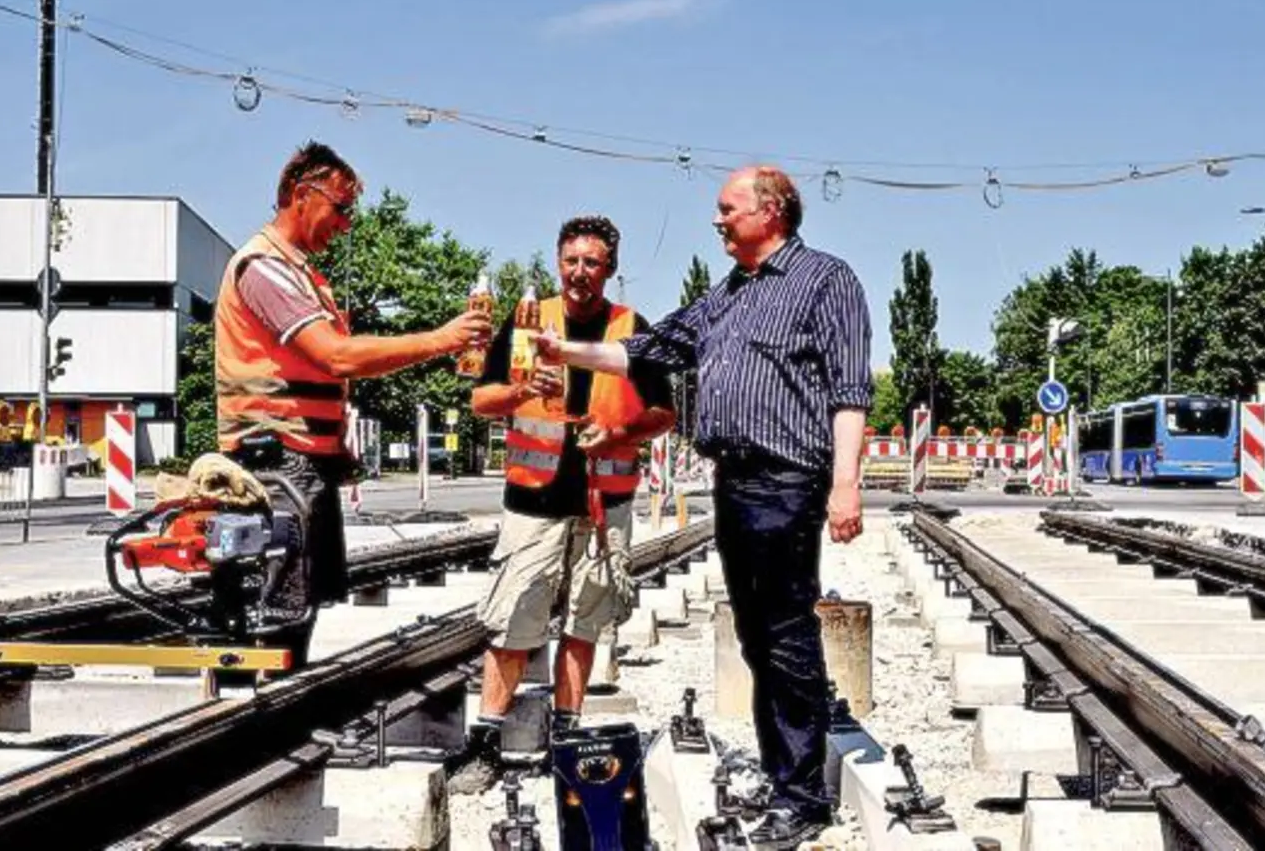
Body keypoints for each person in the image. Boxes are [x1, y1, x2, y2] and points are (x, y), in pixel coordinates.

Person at [534, 166, 872, 846]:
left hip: (787, 480)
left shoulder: (825, 281)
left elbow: (849, 390)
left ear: (771, 212)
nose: (717, 221)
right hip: (736, 483)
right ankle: (786, 778)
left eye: (728, 209)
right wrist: (563, 349)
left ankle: (802, 796)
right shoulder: (726, 295)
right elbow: (649, 350)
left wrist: (845, 483)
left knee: (785, 634)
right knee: (754, 634)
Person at [214, 140, 491, 670]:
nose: (345, 224)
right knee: (277, 607)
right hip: (273, 459)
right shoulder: (263, 268)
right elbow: (337, 356)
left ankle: (282, 709)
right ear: (301, 194)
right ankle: (261, 719)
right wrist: (441, 339)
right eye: (340, 208)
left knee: (298, 603)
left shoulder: (301, 275)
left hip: (299, 460)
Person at [459, 215, 676, 781]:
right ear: (559, 263)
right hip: (533, 502)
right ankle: (486, 743)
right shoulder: (530, 322)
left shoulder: (634, 329)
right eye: (572, 261)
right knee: (511, 623)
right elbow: (482, 400)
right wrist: (523, 389)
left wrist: (621, 434)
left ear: (610, 270)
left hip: (605, 503)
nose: (581, 273)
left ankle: (567, 733)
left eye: (593, 263)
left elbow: (663, 413)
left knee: (585, 623)